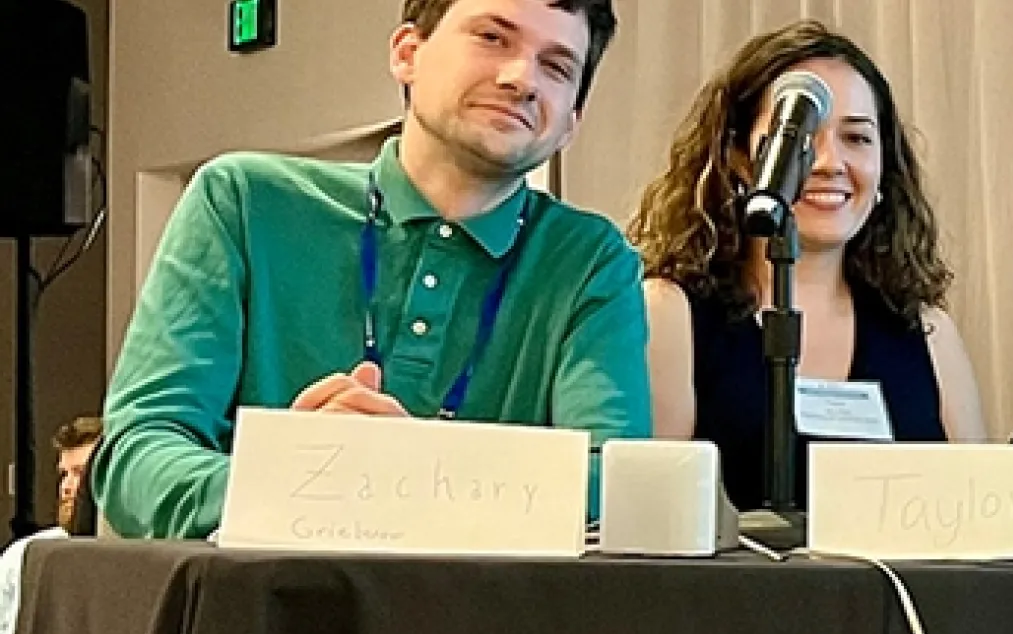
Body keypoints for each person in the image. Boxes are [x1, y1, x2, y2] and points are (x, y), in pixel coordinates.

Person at [94, 0, 649, 540]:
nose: (520, 77)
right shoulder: (244, 202)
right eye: (492, 37)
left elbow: (611, 482)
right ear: (408, 53)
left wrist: (396, 480)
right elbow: (138, 453)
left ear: (573, 120)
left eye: (557, 67)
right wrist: (295, 485)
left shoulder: (591, 261)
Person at [629, 19, 988, 510]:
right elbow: (653, 525)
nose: (828, 162)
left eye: (857, 138)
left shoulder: (930, 333)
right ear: (738, 158)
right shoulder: (671, 314)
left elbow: (978, 526)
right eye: (798, 135)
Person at [0, 417, 102, 634]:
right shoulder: (24, 554)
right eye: (64, 474)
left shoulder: (136, 555)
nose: (66, 486)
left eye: (80, 473)